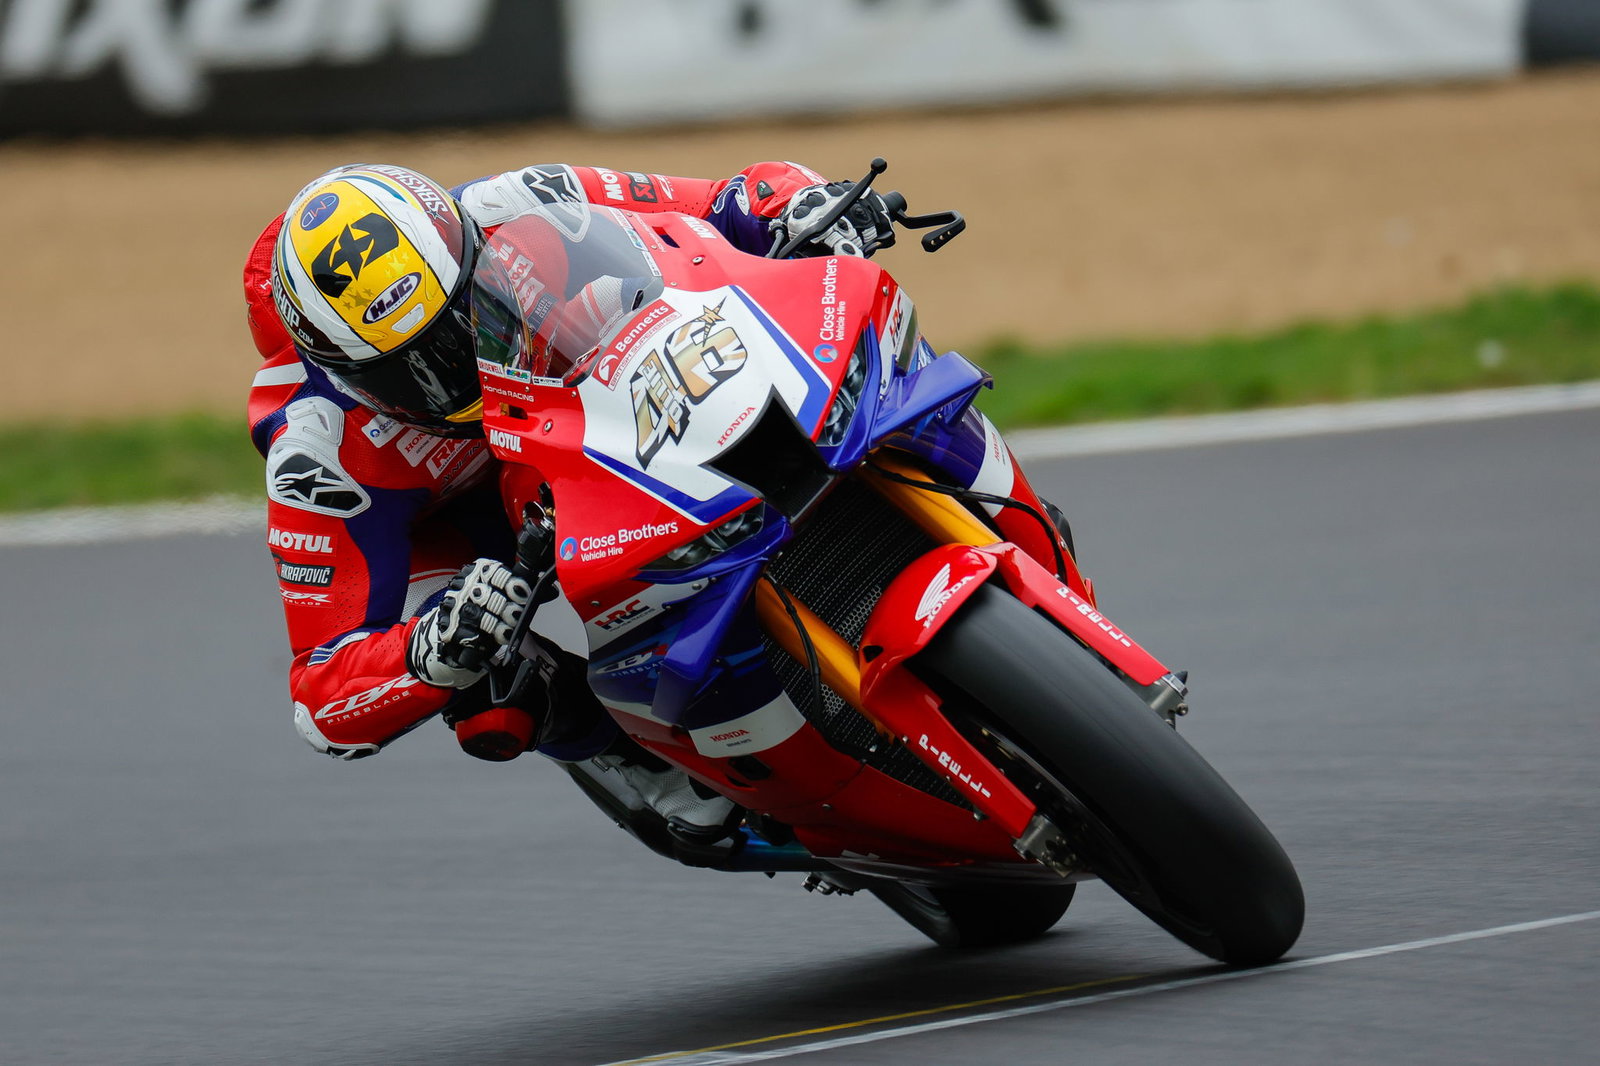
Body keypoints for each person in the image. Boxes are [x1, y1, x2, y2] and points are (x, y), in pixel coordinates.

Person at [245, 160, 895, 847]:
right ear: (340, 371)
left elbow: (725, 199)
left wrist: (804, 203)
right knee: (489, 689)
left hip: (566, 407)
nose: (447, 369)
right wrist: (425, 652)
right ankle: (646, 764)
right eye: (408, 368)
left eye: (457, 320)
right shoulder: (317, 452)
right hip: (465, 529)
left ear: (465, 248)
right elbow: (321, 696)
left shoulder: (519, 203)